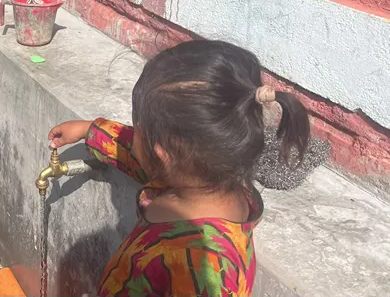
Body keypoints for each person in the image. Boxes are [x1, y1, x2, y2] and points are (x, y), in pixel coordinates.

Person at [47, 40, 310, 296]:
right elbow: (140, 155)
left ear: (163, 154)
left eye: (140, 130)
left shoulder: (190, 267)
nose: (135, 134)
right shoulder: (221, 180)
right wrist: (89, 130)